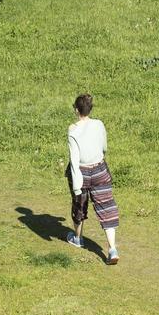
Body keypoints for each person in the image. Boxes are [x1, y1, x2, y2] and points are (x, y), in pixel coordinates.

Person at [66, 93, 120, 264]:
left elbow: (74, 160)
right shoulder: (99, 124)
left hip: (81, 172)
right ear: (90, 109)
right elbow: (104, 147)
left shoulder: (72, 130)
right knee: (107, 207)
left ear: (76, 110)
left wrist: (76, 186)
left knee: (79, 205)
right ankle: (112, 249)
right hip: (99, 170)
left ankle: (78, 238)